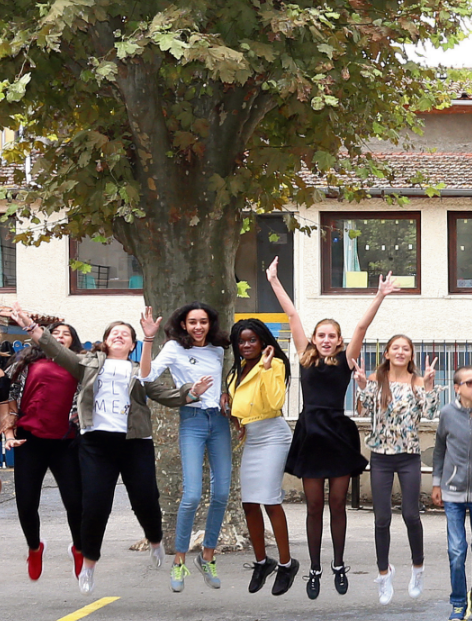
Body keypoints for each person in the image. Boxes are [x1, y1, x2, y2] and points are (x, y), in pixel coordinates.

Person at [11, 303, 211, 596]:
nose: (120, 336)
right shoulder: (87, 364)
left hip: (135, 443)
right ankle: (89, 566)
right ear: (105, 341)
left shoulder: (140, 370)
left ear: (132, 344)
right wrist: (31, 326)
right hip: (96, 444)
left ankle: (155, 540)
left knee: (145, 497)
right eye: (114, 333)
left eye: (126, 334)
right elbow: (56, 349)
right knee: (94, 506)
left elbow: (164, 394)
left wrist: (190, 393)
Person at [266, 255, 398, 600]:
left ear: (338, 341)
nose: (326, 340)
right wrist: (275, 282)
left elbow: (361, 329)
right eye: (321, 335)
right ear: (313, 338)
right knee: (313, 506)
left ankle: (338, 564)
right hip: (310, 433)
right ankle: (314, 568)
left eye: (332, 336)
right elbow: (292, 315)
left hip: (338, 433)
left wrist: (380, 295)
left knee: (337, 504)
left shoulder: (345, 358)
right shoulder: (304, 355)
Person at [140, 302, 231, 593]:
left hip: (218, 422)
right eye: (192, 322)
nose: (198, 327)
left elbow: (223, 383)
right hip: (191, 420)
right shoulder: (173, 348)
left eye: (203, 322)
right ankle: (179, 560)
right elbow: (146, 377)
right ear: (183, 324)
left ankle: (207, 556)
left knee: (221, 493)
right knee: (191, 495)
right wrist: (148, 339)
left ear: (210, 324)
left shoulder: (218, 349)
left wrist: (225, 395)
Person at [355, 335, 440, 605]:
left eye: (406, 348)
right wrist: (361, 385)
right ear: (387, 354)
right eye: (396, 348)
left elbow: (429, 413)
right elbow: (365, 408)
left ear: (411, 355)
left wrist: (429, 385)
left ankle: (418, 568)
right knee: (381, 518)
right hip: (381, 456)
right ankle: (384, 573)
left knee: (411, 515)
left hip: (409, 456)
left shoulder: (417, 382)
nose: (401, 352)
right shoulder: (376, 380)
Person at [2, 322, 84, 581]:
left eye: (66, 334)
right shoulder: (24, 363)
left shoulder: (80, 365)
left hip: (65, 441)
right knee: (26, 504)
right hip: (29, 441)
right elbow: (7, 398)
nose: (59, 337)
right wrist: (9, 433)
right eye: (54, 333)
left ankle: (79, 549)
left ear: (74, 341)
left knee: (75, 502)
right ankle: (35, 548)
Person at [227, 318, 298, 595]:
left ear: (262, 341)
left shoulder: (275, 365)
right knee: (249, 504)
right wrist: (228, 405)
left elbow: (274, 402)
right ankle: (261, 561)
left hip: (273, 435)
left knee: (269, 501)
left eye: (251, 340)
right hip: (252, 438)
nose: (246, 345)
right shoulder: (237, 370)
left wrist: (267, 368)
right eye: (241, 341)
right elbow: (240, 404)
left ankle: (286, 564)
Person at [432, 365, 472, 621]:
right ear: (457, 388)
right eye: (469, 383)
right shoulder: (447, 413)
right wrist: (437, 483)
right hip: (453, 492)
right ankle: (458, 602)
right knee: (457, 551)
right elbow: (438, 449)